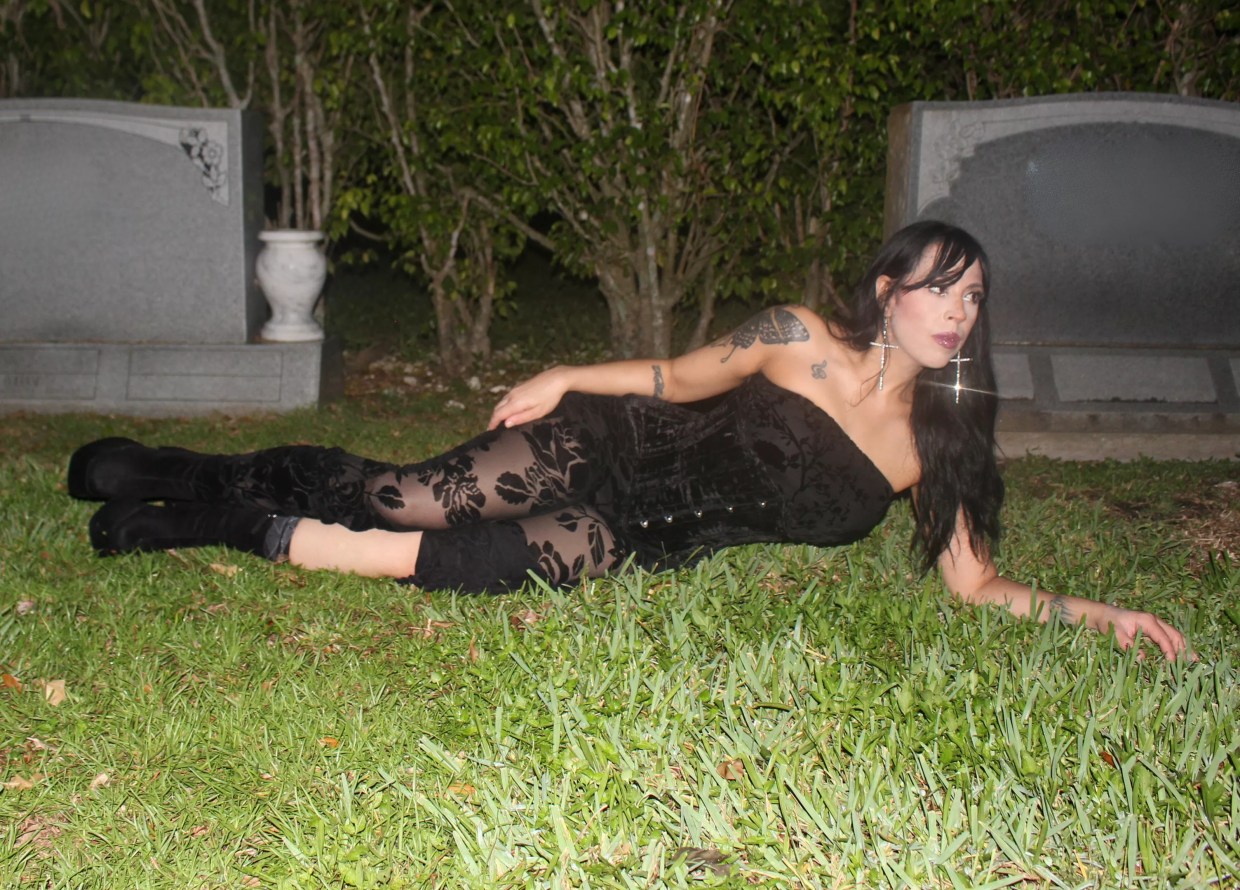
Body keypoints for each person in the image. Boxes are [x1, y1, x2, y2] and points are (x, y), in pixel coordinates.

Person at [68, 221, 1189, 659]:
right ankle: (196, 470)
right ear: (888, 288)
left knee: (460, 566)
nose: (958, 309)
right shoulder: (793, 336)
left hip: (643, 535)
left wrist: (1106, 613)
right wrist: (564, 374)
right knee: (407, 496)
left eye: (975, 296)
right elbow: (674, 375)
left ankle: (220, 521)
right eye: (940, 286)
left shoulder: (931, 449)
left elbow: (977, 583)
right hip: (606, 444)